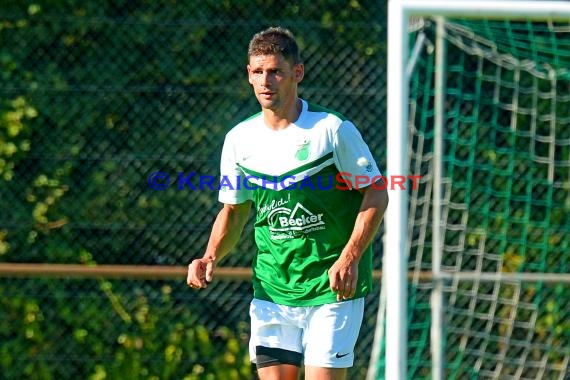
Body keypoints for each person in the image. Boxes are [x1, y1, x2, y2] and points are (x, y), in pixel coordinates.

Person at [187, 26, 389, 380]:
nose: (266, 81)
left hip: (330, 287)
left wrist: (350, 257)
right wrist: (209, 256)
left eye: (276, 71)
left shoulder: (331, 130)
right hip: (272, 289)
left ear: (297, 73)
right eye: (257, 72)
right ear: (248, 75)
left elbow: (376, 193)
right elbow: (234, 210)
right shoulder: (239, 140)